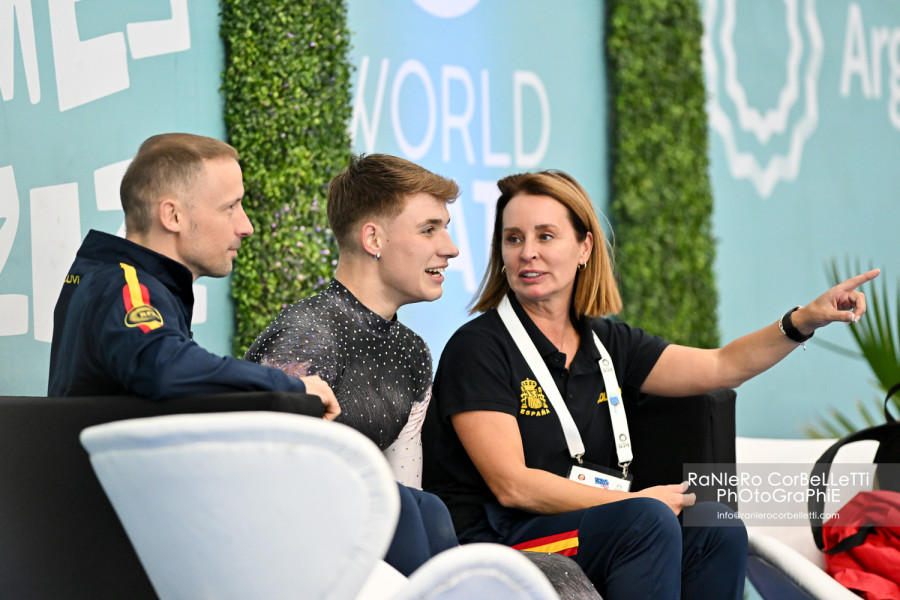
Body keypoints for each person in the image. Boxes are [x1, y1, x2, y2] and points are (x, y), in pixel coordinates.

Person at [423, 169, 880, 600]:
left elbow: (722, 365)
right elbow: (513, 486)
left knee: (715, 524)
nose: (527, 253)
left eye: (545, 236)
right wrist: (635, 500)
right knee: (646, 519)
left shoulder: (607, 341)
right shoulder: (479, 347)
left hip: (585, 526)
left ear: (584, 247)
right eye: (513, 239)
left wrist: (804, 320)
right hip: (499, 540)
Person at [244, 154, 462, 576]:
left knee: (425, 508)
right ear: (373, 239)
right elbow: (269, 482)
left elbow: (407, 487)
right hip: (285, 549)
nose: (450, 249)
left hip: (364, 539)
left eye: (446, 229)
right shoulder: (308, 334)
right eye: (429, 229)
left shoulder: (414, 351)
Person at [47, 132, 339, 420]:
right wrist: (292, 386)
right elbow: (164, 367)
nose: (246, 226)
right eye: (230, 207)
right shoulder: (128, 288)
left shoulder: (117, 279)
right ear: (173, 216)